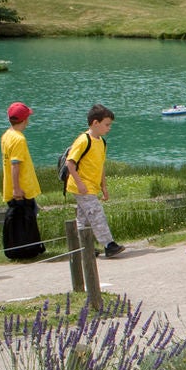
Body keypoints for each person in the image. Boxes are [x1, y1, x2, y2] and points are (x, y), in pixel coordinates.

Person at [62, 104, 123, 258]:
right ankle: (109, 244)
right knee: (96, 214)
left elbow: (101, 165)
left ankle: (83, 248)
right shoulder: (84, 140)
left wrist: (104, 186)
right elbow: (70, 163)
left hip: (92, 186)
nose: (109, 128)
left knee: (84, 219)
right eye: (107, 125)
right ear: (95, 123)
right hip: (82, 187)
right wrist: (80, 183)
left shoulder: (101, 142)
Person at [0, 102, 45, 262]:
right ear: (25, 120)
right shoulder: (19, 139)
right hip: (23, 188)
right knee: (27, 217)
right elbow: (15, 165)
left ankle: (24, 247)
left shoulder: (6, 136)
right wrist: (17, 188)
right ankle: (28, 248)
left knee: (21, 219)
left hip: (11, 187)